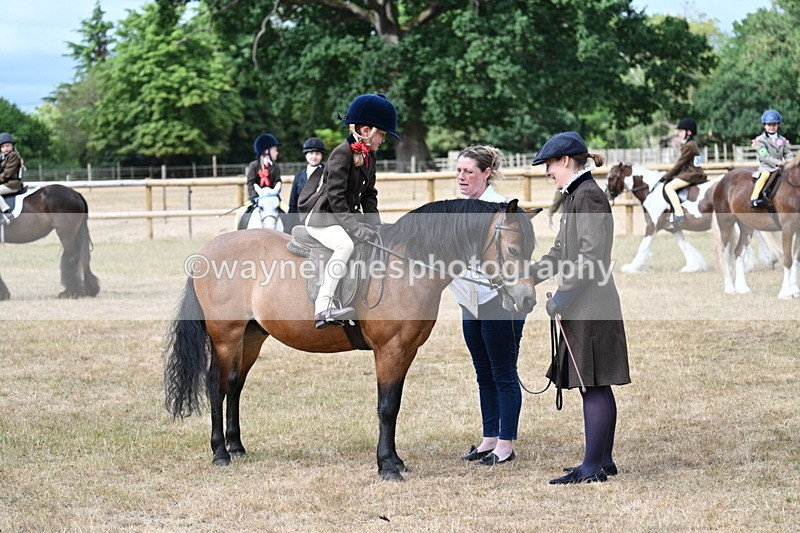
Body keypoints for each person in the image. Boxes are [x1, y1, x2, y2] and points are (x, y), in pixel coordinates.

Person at [529, 132, 630, 484]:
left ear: (568, 161)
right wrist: (529, 277)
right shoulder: (577, 196)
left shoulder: (587, 197)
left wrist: (563, 297)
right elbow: (560, 252)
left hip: (591, 303)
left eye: (550, 165)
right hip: (587, 301)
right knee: (597, 383)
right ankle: (602, 461)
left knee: (592, 383)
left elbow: (589, 258)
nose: (547, 172)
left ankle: (592, 468)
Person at [450, 145, 528, 467]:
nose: (461, 177)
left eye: (468, 171)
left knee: (503, 373)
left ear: (486, 173)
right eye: (458, 170)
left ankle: (506, 444)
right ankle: (489, 438)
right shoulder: (461, 208)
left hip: (500, 301)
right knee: (483, 373)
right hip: (470, 300)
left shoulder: (502, 210)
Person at [298, 93, 399, 329]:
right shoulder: (341, 153)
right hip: (323, 217)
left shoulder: (370, 155)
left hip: (343, 217)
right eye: (382, 134)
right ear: (366, 130)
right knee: (346, 245)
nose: (383, 140)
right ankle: (323, 306)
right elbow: (335, 197)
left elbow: (369, 194)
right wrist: (355, 228)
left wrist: (375, 226)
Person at [663, 118, 706, 227]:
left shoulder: (689, 145)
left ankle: (679, 213)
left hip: (692, 175)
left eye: (681, 131)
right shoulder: (692, 144)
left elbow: (680, 164)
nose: (679, 133)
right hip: (693, 172)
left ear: (689, 132)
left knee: (669, 187)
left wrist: (667, 176)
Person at [751, 109, 794, 208]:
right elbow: (764, 156)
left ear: (778, 125)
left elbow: (787, 153)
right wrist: (777, 162)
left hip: (781, 167)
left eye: (774, 125)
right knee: (764, 176)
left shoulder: (782, 140)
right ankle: (755, 198)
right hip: (767, 166)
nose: (771, 127)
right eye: (769, 125)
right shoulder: (760, 140)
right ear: (765, 126)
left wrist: (791, 162)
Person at [286, 136, 326, 233]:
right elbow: (293, 203)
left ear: (321, 156)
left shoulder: (327, 173)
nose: (314, 157)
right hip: (301, 220)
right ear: (306, 155)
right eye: (311, 153)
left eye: (317, 154)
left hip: (321, 219)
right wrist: (289, 226)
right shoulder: (299, 176)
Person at [246, 133, 282, 199]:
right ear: (266, 151)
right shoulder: (254, 166)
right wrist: (254, 197)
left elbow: (277, 182)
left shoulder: (276, 167)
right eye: (275, 150)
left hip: (272, 197)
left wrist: (273, 194)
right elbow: (251, 183)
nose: (277, 153)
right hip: (257, 198)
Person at [0, 132, 23, 224]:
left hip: (12, 184)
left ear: (12, 146)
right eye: (3, 147)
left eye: (8, 146)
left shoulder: (13, 156)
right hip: (6, 183)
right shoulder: (3, 158)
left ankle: (7, 212)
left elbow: (7, 174)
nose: (5, 148)